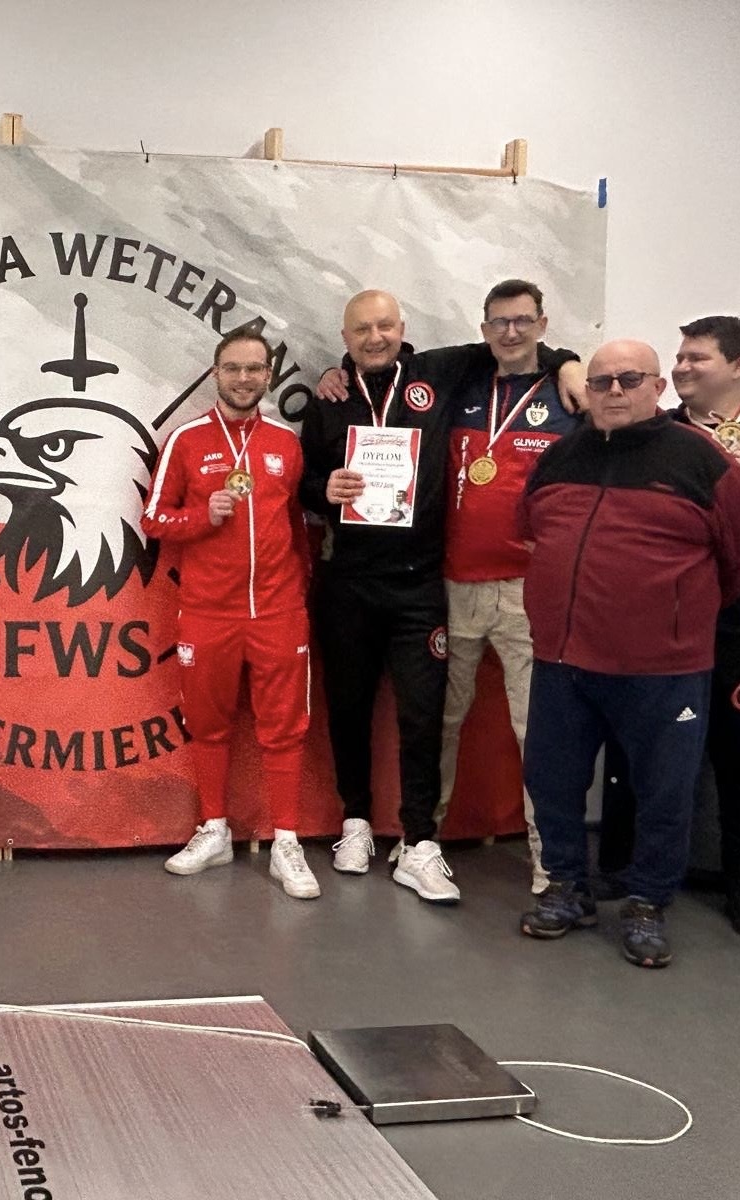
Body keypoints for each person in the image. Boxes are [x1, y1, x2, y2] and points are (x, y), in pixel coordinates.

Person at [300, 289, 581, 904]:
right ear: (345, 339)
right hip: (348, 580)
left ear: (402, 328)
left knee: (425, 714)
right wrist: (326, 490)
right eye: (360, 330)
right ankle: (355, 822)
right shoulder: (330, 399)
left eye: (384, 326)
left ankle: (420, 842)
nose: (374, 338)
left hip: (420, 584)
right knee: (347, 707)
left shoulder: (439, 372)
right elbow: (306, 482)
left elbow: (514, 343)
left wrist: (568, 363)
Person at [518, 339, 740, 968]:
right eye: (601, 381)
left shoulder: (702, 460)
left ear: (658, 388)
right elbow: (532, 532)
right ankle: (567, 888)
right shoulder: (560, 456)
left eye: (629, 380)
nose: (613, 392)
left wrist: (677, 615)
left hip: (664, 669)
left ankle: (648, 903)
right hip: (564, 660)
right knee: (551, 781)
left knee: (664, 793)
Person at [597, 317, 740, 939]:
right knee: (637, 744)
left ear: (739, 365)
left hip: (739, 623)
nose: (682, 367)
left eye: (697, 358)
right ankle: (623, 866)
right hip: (657, 621)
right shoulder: (654, 432)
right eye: (680, 357)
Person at [142, 330, 318, 899]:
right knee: (208, 724)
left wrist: (297, 592)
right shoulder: (186, 439)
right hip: (208, 613)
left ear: (268, 376)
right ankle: (214, 829)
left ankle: (286, 840)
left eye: (254, 369)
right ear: (216, 373)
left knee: (284, 728)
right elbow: (153, 520)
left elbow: (296, 526)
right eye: (234, 368)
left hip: (278, 612)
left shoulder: (285, 442)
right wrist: (203, 515)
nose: (244, 378)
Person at [436, 280, 583, 896]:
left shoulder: (569, 394)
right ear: (484, 328)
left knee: (536, 729)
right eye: (499, 322)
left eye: (523, 321)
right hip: (456, 584)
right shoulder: (461, 386)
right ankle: (424, 840)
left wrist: (568, 362)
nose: (511, 332)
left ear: (543, 324)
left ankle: (551, 860)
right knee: (444, 719)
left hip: (530, 590)